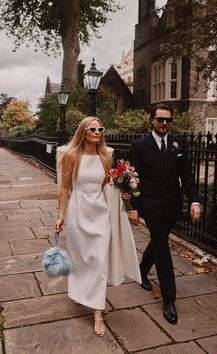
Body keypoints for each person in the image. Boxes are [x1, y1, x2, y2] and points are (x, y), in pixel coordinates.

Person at [54, 116, 141, 337]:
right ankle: (80, 292)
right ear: (83, 131)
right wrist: (61, 215)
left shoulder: (106, 155)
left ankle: (98, 313)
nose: (97, 131)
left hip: (100, 213)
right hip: (78, 212)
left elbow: (105, 185)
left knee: (99, 261)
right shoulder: (71, 155)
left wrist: (123, 187)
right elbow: (64, 188)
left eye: (100, 128)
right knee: (82, 259)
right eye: (92, 128)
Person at [129, 103, 200, 325]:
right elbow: (131, 178)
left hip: (172, 203)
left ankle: (141, 270)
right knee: (162, 247)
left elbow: (187, 174)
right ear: (151, 121)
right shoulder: (140, 145)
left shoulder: (179, 144)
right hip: (149, 203)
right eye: (160, 120)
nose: (164, 124)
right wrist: (133, 207)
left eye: (168, 120)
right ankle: (169, 300)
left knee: (159, 240)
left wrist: (195, 200)